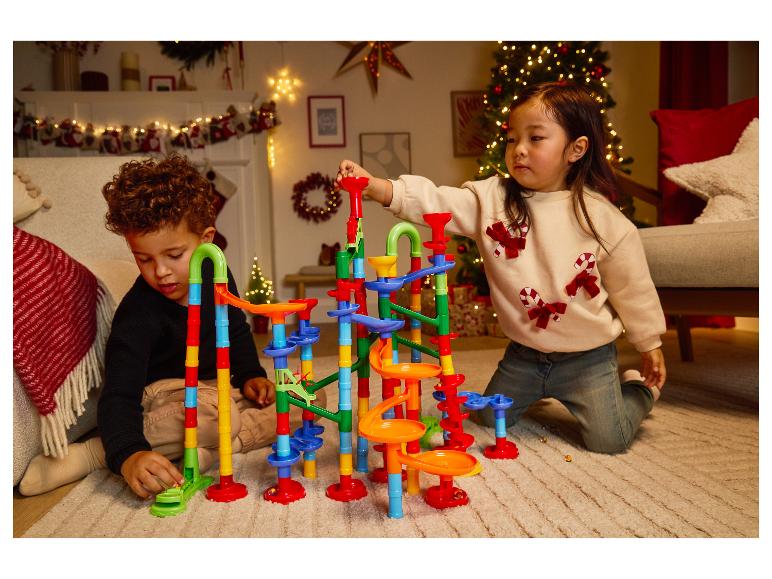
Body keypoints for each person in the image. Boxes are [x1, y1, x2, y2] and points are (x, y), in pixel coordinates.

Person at [336, 82, 666, 454]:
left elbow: (631, 287)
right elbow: (436, 200)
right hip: (523, 356)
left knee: (611, 441)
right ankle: (536, 391)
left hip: (587, 358)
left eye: (535, 138)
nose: (519, 149)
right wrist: (379, 187)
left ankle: (639, 389)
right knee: (485, 419)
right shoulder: (490, 199)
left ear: (576, 149)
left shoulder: (602, 220)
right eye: (512, 139)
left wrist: (649, 343)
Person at [20, 154, 324, 498]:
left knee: (308, 397)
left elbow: (235, 329)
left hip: (222, 389)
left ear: (207, 241)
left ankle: (213, 450)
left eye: (174, 255)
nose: (160, 271)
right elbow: (119, 394)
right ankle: (99, 452)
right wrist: (129, 453)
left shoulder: (218, 276)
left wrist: (251, 375)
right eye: (144, 259)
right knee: (216, 418)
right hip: (168, 396)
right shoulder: (138, 313)